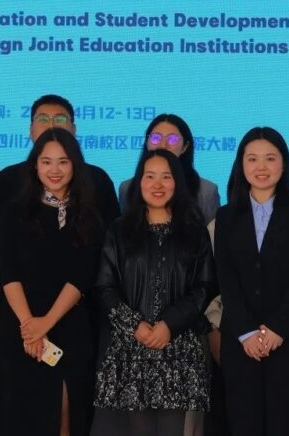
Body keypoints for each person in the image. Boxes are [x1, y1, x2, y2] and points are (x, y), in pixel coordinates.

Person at [92, 149, 215, 436]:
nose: (157, 185)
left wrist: (169, 324)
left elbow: (205, 287)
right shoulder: (119, 231)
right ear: (139, 182)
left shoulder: (194, 231)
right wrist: (135, 326)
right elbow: (104, 286)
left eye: (166, 177)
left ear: (177, 183)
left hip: (179, 347)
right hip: (133, 345)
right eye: (150, 177)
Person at [0, 128, 105, 436]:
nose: (54, 170)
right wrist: (29, 326)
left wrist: (46, 323)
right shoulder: (14, 212)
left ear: (75, 166)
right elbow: (8, 273)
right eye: (46, 162)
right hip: (21, 329)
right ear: (35, 166)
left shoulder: (88, 216)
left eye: (63, 162)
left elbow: (81, 277)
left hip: (68, 327)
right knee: (22, 420)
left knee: (65, 418)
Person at [214, 127, 289, 435]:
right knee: (243, 424)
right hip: (240, 342)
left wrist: (277, 329)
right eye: (252, 159)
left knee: (283, 425)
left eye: (270, 158)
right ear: (241, 165)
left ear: (284, 164)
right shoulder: (226, 216)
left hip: (288, 340)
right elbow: (226, 277)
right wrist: (247, 332)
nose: (261, 167)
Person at [0, 94, 119, 228]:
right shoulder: (8, 179)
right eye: (43, 119)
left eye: (60, 119)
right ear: (31, 130)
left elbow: (114, 235)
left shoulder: (98, 179)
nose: (51, 126)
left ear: (74, 130)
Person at [117, 113, 220, 224]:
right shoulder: (127, 188)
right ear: (146, 142)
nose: (163, 145)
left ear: (185, 146)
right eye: (156, 138)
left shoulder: (206, 191)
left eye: (172, 139)